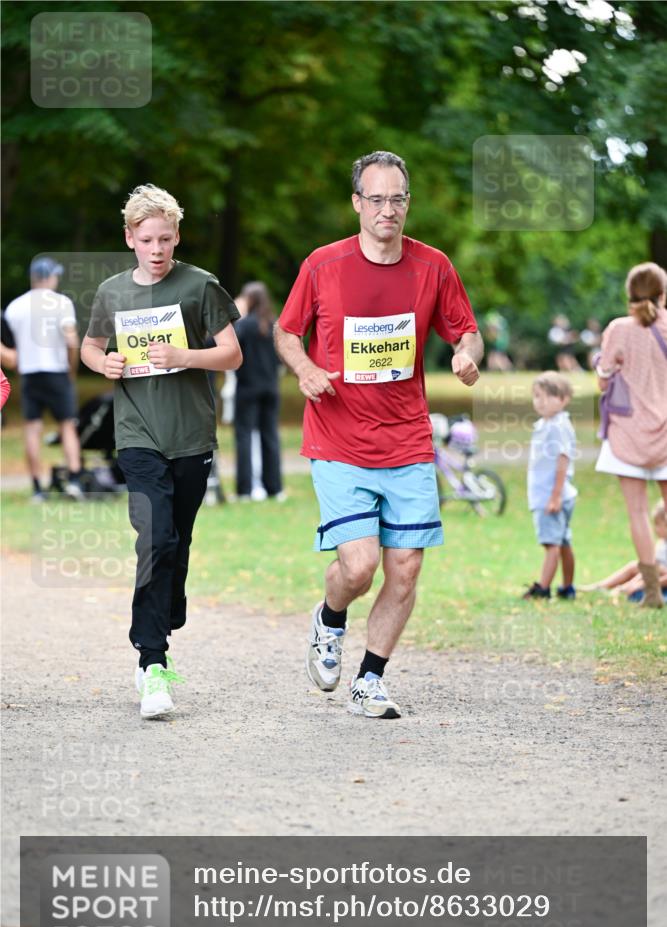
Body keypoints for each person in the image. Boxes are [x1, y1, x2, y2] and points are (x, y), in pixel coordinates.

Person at [274, 150, 482, 720]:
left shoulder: (433, 266)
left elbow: (468, 331)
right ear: (357, 203)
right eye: (376, 199)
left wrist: (466, 355)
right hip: (339, 441)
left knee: (407, 566)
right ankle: (330, 619)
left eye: (397, 199)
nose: (387, 209)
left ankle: (370, 680)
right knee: (359, 565)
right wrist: (306, 369)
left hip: (408, 440)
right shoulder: (323, 265)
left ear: (407, 203)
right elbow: (286, 332)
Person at [80, 183, 242, 719]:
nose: (156, 249)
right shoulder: (111, 293)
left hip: (191, 436)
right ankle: (153, 663)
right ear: (130, 238)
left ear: (177, 237)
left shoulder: (200, 286)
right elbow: (91, 346)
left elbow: (232, 355)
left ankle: (165, 612)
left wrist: (184, 354)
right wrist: (101, 364)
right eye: (147, 239)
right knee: (156, 537)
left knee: (178, 539)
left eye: (165, 239)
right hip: (137, 436)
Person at [594, 261, 667, 608]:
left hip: (628, 435)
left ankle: (652, 593)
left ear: (630, 294)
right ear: (663, 293)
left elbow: (603, 378)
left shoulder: (619, 329)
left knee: (638, 513)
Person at [3, 257, 83, 501]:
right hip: (57, 371)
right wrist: (72, 371)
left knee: (32, 429)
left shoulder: (14, 307)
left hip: (28, 374)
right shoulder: (61, 303)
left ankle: (38, 489)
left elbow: (11, 352)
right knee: (67, 426)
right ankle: (74, 482)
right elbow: (71, 341)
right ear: (50, 278)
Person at [523, 372, 577, 600]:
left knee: (551, 544)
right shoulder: (546, 424)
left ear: (563, 399)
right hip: (553, 495)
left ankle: (543, 588)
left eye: (547, 397)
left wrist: (554, 497)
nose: (540, 401)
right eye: (537, 396)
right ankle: (567, 588)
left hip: (551, 497)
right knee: (563, 542)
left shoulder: (557, 426)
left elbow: (562, 461)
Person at [234, 281, 284, 501]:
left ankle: (245, 489)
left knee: (244, 436)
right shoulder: (273, 324)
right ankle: (274, 487)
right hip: (271, 387)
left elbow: (228, 348)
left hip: (247, 389)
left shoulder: (244, 326)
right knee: (270, 435)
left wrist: (238, 316)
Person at [580, 500, 667, 598]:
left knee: (651, 569)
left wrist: (641, 585)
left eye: (657, 524)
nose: (655, 529)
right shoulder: (661, 543)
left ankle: (622, 589)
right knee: (637, 566)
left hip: (662, 578)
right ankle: (601, 586)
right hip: (658, 575)